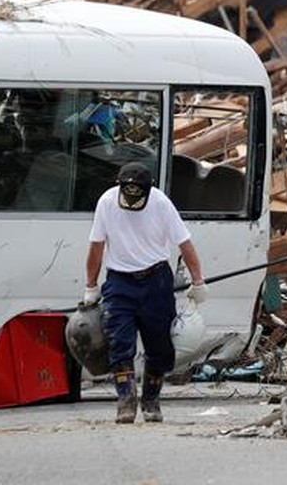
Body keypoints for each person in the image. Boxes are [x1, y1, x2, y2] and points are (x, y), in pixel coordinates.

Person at [83, 161, 207, 423]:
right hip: (119, 282)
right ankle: (126, 401)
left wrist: (198, 281)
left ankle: (151, 399)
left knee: (159, 346)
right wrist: (91, 286)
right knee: (119, 343)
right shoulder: (107, 202)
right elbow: (96, 245)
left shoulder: (161, 204)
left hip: (156, 281)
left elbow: (184, 243)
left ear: (149, 190)